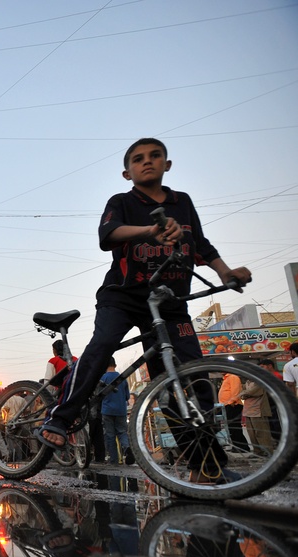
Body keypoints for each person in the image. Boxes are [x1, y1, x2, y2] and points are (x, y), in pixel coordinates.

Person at [37, 139, 252, 483]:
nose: (147, 162)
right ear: (127, 172)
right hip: (123, 296)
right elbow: (108, 235)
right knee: (102, 345)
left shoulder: (182, 203)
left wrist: (226, 273)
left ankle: (204, 461)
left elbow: (201, 245)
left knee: (189, 377)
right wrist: (150, 231)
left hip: (169, 302)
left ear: (168, 164)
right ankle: (60, 418)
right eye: (138, 159)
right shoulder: (122, 202)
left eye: (155, 156)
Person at [99, 358, 131, 464]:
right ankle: (127, 448)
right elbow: (127, 396)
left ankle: (114, 459)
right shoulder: (122, 378)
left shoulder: (103, 378)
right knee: (122, 432)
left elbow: (98, 395)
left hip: (107, 410)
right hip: (121, 410)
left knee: (110, 435)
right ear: (115, 365)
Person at [238, 374, 273, 454]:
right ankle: (257, 451)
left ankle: (268, 452)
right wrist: (244, 394)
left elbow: (252, 392)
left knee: (261, 433)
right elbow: (241, 393)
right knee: (251, 434)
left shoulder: (259, 382)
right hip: (248, 411)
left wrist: (244, 394)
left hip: (258, 411)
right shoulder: (247, 382)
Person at [218, 370, 248, 452]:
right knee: (231, 427)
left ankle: (242, 447)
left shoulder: (233, 377)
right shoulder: (226, 378)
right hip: (227, 405)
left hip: (233, 405)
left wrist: (231, 402)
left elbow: (236, 390)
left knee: (234, 426)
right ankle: (236, 446)